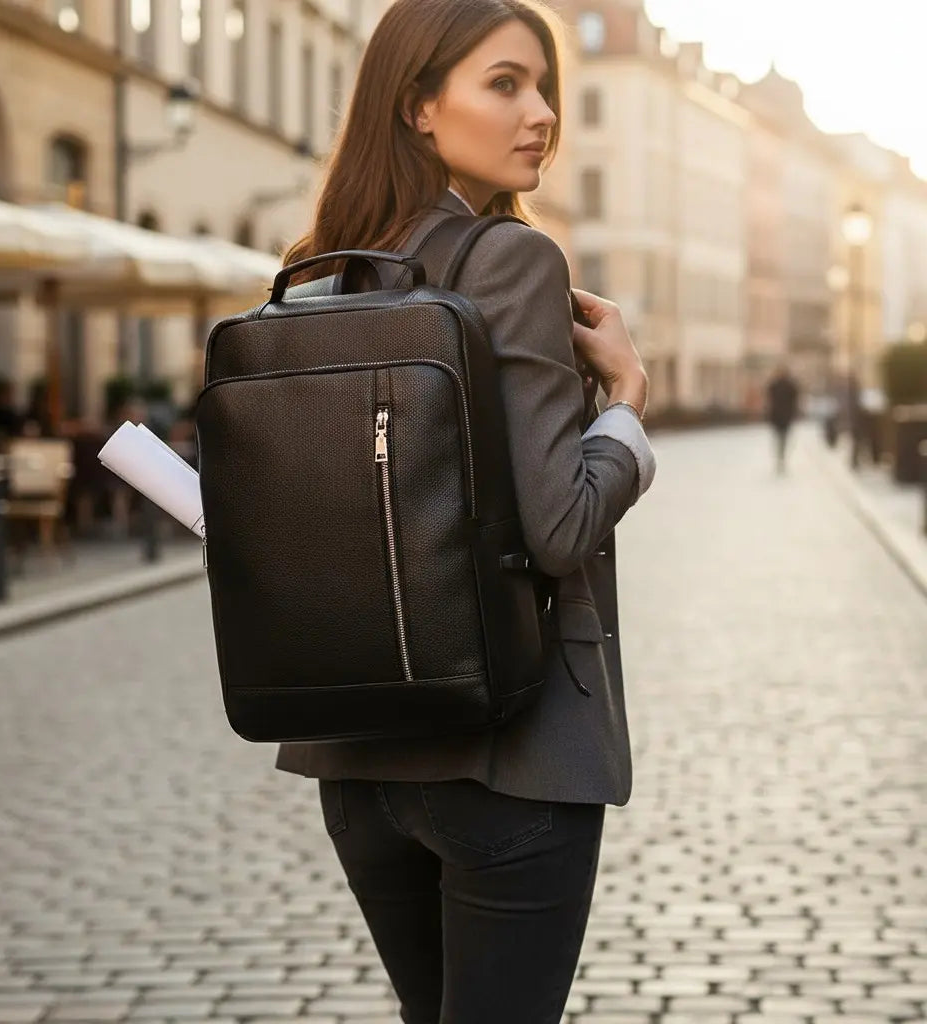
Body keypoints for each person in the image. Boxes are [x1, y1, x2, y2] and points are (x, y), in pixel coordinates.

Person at [274, 2, 656, 1021]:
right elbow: (561, 526)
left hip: (355, 761)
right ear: (418, 106)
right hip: (509, 750)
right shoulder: (511, 261)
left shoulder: (322, 270)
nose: (540, 113)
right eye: (504, 84)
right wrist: (623, 407)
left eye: (544, 88)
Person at [766, 364, 801, 473]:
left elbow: (795, 401)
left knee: (783, 438)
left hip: (785, 416)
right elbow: (769, 401)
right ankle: (780, 456)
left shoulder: (789, 386)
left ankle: (781, 456)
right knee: (779, 438)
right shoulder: (774, 385)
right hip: (778, 417)